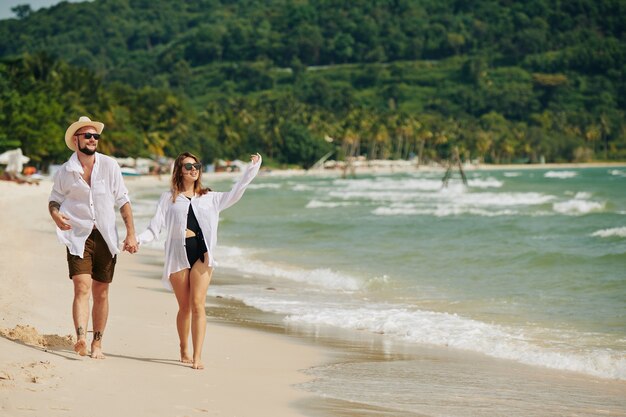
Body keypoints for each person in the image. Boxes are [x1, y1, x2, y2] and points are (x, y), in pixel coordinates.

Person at [137, 151, 261, 370]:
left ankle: (197, 355)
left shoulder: (210, 198)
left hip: (202, 256)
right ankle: (183, 348)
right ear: (179, 171)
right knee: (184, 307)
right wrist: (137, 240)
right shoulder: (168, 198)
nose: (194, 169)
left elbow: (236, 192)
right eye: (188, 167)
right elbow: (154, 228)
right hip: (178, 255)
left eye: (197, 166)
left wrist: (251, 169)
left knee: (198, 305)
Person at [48, 116, 138, 359]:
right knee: (81, 287)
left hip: (106, 236)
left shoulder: (110, 166)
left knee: (102, 292)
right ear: (76, 139)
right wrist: (56, 215)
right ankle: (80, 338)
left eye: (95, 136)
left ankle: (97, 343)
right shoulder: (65, 171)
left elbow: (123, 200)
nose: (92, 139)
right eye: (87, 136)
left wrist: (131, 233)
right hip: (78, 236)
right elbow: (54, 199)